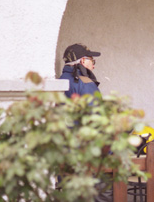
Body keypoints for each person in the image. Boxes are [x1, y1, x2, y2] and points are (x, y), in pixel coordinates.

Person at [59, 43, 112, 202]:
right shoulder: (86, 83)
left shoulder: (59, 82)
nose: (93, 66)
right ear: (83, 61)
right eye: (92, 61)